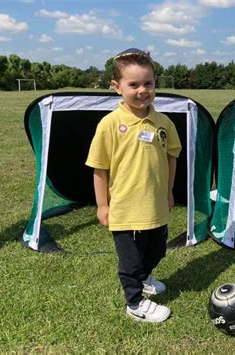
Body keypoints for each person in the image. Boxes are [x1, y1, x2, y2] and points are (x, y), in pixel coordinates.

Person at [86, 48, 182, 322]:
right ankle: (135, 303)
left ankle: (145, 276)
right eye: (134, 84)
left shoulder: (163, 123)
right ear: (116, 88)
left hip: (156, 205)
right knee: (130, 259)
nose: (142, 90)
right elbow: (99, 167)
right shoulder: (110, 124)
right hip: (125, 209)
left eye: (148, 83)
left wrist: (168, 192)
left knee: (157, 250)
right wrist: (103, 205)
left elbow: (171, 158)